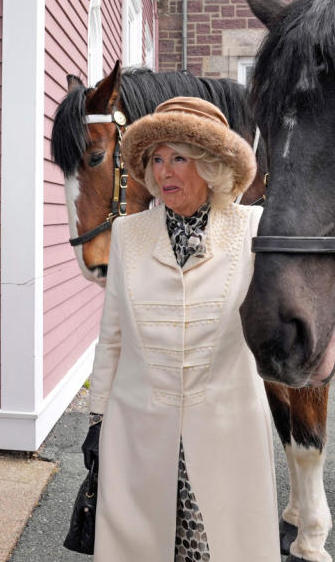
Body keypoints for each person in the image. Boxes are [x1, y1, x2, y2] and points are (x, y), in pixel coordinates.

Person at [83, 96, 280, 561]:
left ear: (211, 167)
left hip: (228, 427)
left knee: (221, 544)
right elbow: (112, 335)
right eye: (157, 159)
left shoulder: (255, 229)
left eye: (179, 158)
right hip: (139, 428)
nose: (165, 172)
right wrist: (97, 418)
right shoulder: (129, 233)